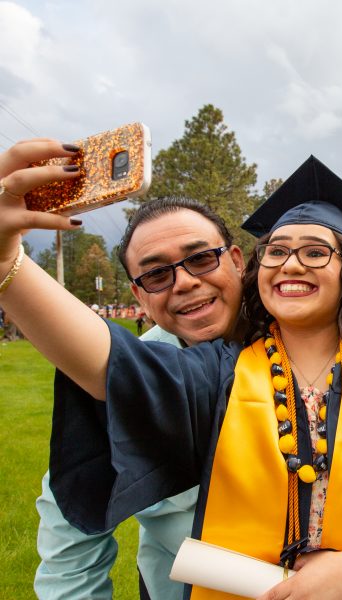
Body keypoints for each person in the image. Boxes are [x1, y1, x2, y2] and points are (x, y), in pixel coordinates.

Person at [0, 146, 342, 599]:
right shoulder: (216, 373)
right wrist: (8, 262)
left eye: (315, 251)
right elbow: (113, 365)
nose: (292, 263)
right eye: (276, 251)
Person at [35, 198, 246, 599]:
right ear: (139, 296)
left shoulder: (314, 348)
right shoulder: (120, 379)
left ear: (237, 260)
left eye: (201, 258)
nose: (183, 282)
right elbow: (71, 534)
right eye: (156, 275)